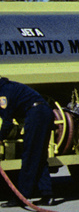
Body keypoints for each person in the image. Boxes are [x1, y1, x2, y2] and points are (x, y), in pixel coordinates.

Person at [0, 76, 54, 205]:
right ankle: (47, 194)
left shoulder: (2, 94)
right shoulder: (8, 86)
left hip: (36, 115)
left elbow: (7, 122)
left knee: (29, 156)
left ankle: (22, 196)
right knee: (39, 156)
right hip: (44, 113)